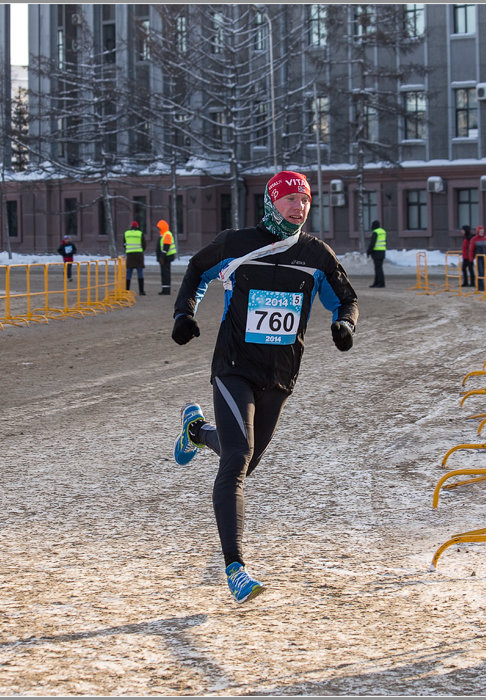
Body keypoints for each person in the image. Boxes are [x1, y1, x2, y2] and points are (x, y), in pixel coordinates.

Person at [170, 170, 358, 604]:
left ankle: (196, 432)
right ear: (273, 203)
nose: (299, 207)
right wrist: (184, 313)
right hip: (233, 366)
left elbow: (346, 298)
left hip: (280, 374)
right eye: (290, 199)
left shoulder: (316, 255)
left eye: (305, 200)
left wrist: (344, 324)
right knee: (237, 458)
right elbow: (198, 268)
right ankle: (235, 568)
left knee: (245, 460)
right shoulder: (236, 243)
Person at [123, 220, 146, 295]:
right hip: (139, 256)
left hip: (130, 256)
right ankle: (141, 291)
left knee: (129, 273)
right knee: (140, 273)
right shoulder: (140, 233)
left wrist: (128, 249)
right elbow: (144, 244)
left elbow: (124, 244)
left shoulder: (126, 233)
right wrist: (141, 250)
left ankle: (127, 290)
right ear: (137, 226)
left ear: (131, 226)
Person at [468, 225, 486, 292]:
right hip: (478, 257)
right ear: (478, 231)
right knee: (480, 272)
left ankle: (481, 286)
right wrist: (471, 258)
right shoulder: (474, 239)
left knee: (483, 272)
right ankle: (481, 286)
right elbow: (471, 249)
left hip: (485, 257)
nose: (482, 232)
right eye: (480, 231)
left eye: (482, 231)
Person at [156, 219, 176, 295]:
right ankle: (165, 289)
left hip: (167, 257)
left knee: (166, 274)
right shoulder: (164, 234)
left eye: (159, 228)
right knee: (164, 274)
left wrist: (162, 257)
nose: (159, 229)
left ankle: (166, 291)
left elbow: (166, 247)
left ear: (162, 227)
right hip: (165, 257)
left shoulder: (167, 234)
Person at [367, 219, 387, 288]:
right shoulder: (383, 231)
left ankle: (381, 283)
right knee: (378, 268)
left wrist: (369, 251)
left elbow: (372, 243)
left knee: (378, 269)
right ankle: (376, 283)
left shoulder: (375, 232)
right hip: (382, 252)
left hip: (376, 252)